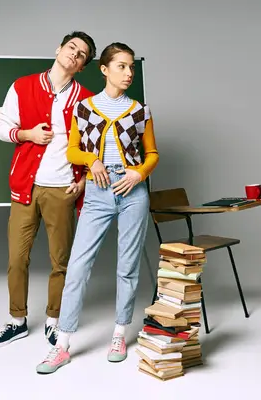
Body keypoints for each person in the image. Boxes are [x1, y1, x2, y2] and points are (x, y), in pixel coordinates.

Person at [36, 42, 159, 374]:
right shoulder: (84, 108)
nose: (129, 73)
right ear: (104, 69)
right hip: (97, 191)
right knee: (77, 267)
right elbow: (73, 150)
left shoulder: (140, 111)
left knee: (128, 266)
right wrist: (92, 160)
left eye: (131, 67)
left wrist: (138, 173)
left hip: (133, 192)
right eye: (121, 66)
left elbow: (152, 155)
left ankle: (119, 334)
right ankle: (61, 345)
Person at [0, 31, 96, 348]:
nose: (74, 55)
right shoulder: (22, 86)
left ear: (82, 66)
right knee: (16, 258)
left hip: (63, 190)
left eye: (81, 55)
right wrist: (26, 134)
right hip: (25, 187)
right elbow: (1, 127)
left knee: (60, 261)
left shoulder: (87, 99)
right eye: (71, 48)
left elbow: (96, 148)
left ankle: (54, 321)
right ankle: (17, 321)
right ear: (59, 49)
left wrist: (84, 182)